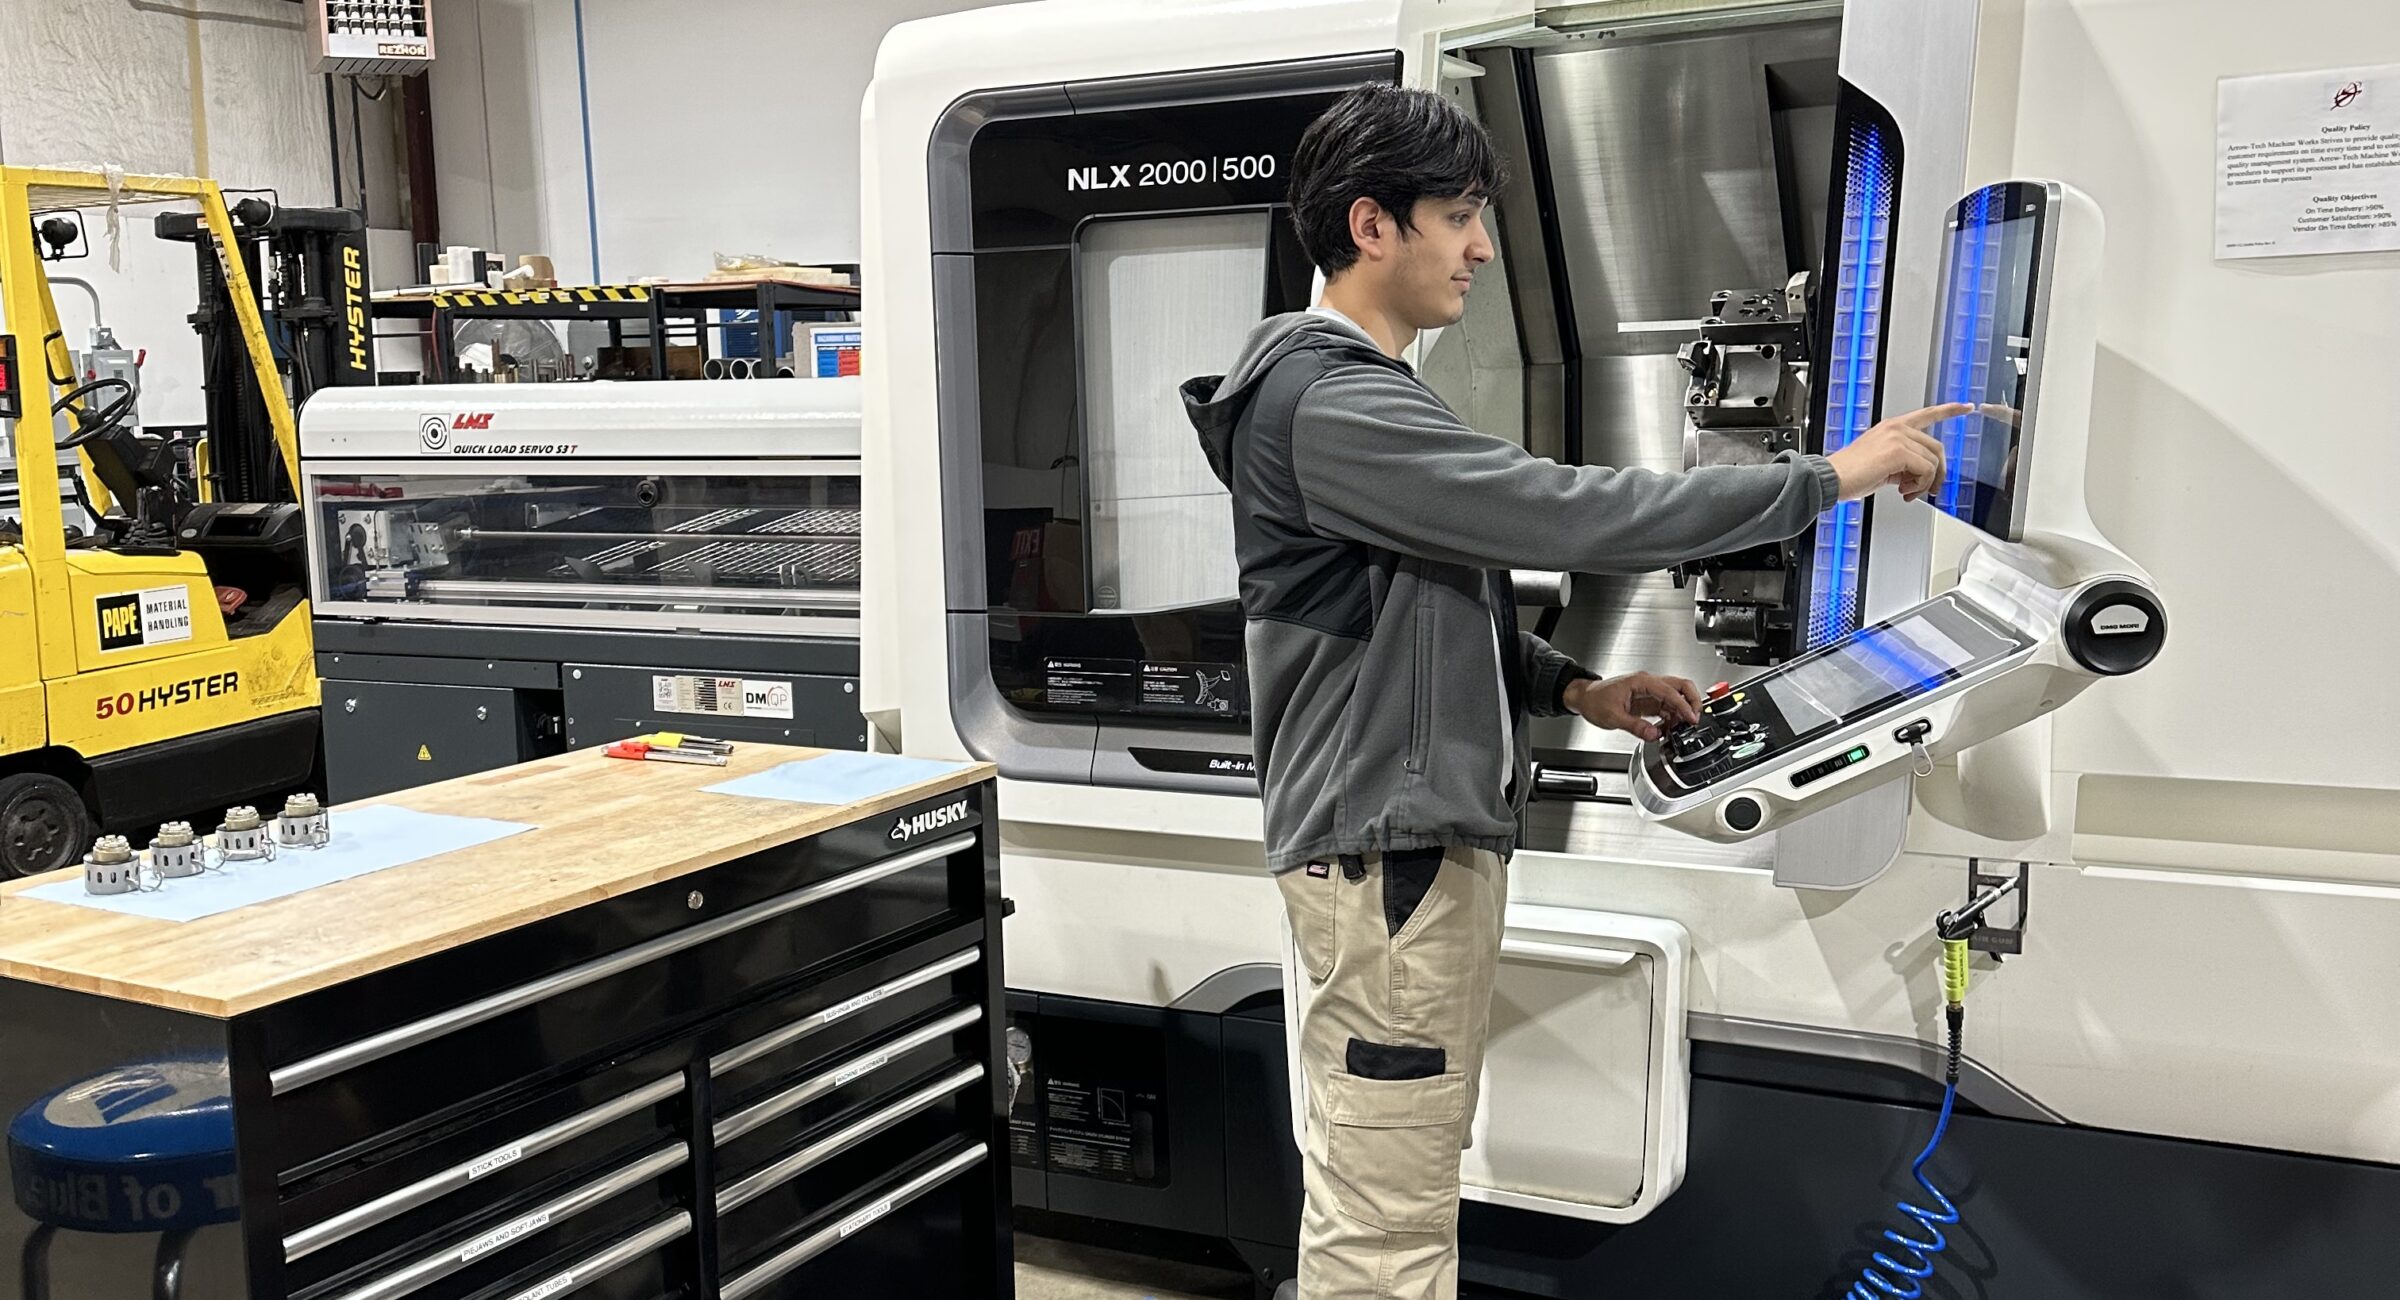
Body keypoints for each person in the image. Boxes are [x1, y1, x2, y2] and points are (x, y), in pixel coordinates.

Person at [1180, 83, 1962, 1300]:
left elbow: (1414, 607)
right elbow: (1563, 509)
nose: (1482, 247)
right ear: (1374, 226)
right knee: (1384, 1215)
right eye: (1459, 216)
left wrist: (1579, 687)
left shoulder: (1350, 392)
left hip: (1404, 853)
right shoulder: (1327, 399)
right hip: (1390, 857)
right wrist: (1830, 476)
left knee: (1398, 1174)